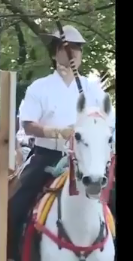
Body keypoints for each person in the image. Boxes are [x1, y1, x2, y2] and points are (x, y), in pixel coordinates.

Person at [7, 25, 115, 261]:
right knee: (15, 204)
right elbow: (27, 124)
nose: (74, 53)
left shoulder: (93, 89)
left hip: (90, 161)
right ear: (56, 53)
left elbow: (109, 125)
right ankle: (11, 253)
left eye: (78, 49)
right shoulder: (40, 87)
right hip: (48, 157)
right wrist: (57, 132)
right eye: (68, 48)